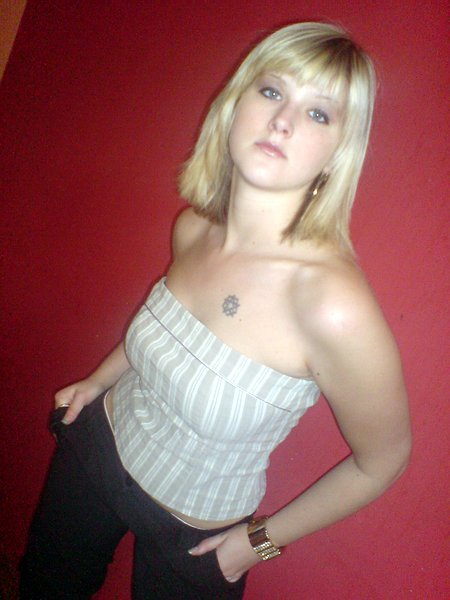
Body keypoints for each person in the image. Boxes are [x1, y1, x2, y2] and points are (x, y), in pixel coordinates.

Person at [20, 21, 411, 600]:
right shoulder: (194, 228)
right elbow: (167, 330)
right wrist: (97, 381)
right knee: (43, 585)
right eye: (272, 91)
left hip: (195, 534)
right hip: (100, 448)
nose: (282, 120)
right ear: (234, 105)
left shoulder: (332, 306)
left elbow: (384, 461)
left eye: (318, 113)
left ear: (338, 153)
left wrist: (257, 544)